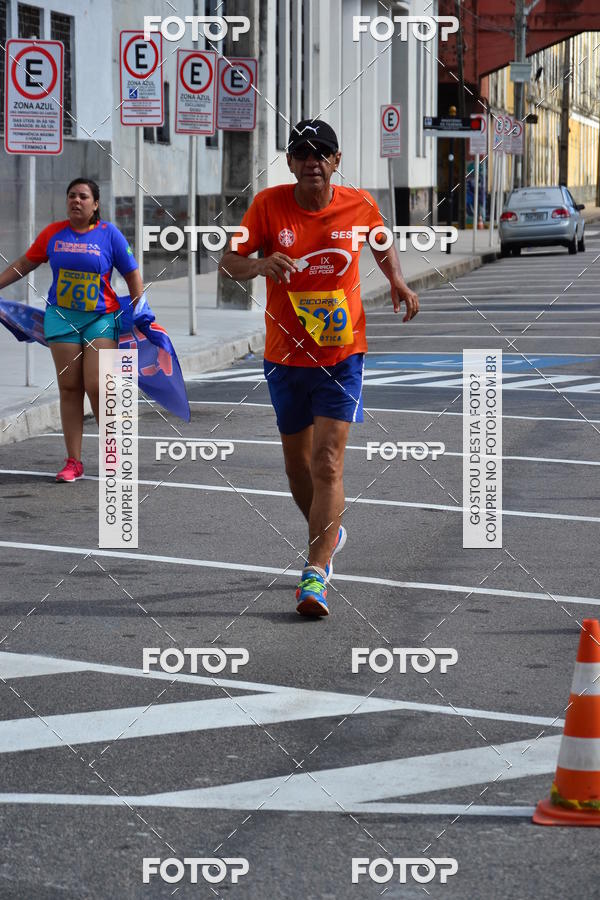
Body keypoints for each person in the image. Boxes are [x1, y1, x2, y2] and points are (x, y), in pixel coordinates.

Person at [219, 119, 419, 617]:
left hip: (342, 353)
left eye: (321, 153)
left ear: (336, 161)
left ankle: (316, 572)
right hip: (285, 357)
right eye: (302, 154)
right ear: (290, 163)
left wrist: (396, 278)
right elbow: (229, 261)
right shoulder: (268, 206)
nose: (312, 161)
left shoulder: (360, 204)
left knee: (328, 461)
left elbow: (381, 239)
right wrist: (260, 265)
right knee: (298, 467)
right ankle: (329, 531)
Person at [0, 178, 143, 482]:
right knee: (69, 388)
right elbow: (24, 264)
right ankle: (73, 462)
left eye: (83, 196)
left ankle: (113, 454)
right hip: (61, 318)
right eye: (71, 196)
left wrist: (140, 308)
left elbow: (131, 273)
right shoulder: (53, 233)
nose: (76, 201)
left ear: (95, 205)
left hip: (101, 319)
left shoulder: (109, 234)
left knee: (98, 386)